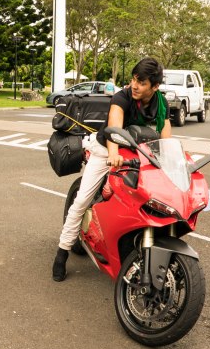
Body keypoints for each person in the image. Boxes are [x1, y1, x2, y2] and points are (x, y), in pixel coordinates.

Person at [52, 57, 171, 281]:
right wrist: (113, 154)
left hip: (137, 151)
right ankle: (62, 252)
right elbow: (114, 127)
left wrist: (172, 160)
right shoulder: (122, 97)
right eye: (134, 79)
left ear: (155, 86)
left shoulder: (161, 103)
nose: (135, 85)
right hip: (106, 148)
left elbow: (166, 136)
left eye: (142, 83)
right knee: (82, 200)